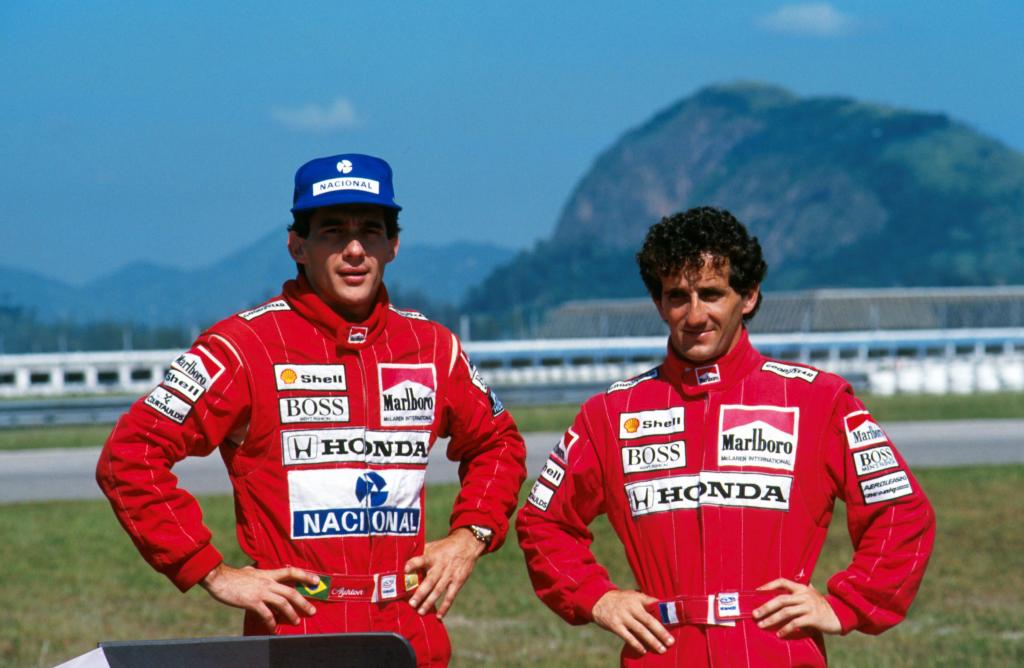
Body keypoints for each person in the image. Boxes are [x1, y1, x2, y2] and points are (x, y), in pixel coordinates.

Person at [97, 153, 527, 667]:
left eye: (370, 230)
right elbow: (131, 456)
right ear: (296, 245)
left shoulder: (433, 347)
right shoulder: (242, 346)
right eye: (331, 231)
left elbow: (499, 444)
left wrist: (470, 535)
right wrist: (210, 571)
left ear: (393, 244)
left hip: (411, 630)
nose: (353, 250)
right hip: (295, 630)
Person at [516, 207, 935, 666]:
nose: (695, 315)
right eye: (678, 296)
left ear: (749, 296)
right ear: (659, 303)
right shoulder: (610, 414)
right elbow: (543, 522)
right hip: (663, 652)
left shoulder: (820, 400)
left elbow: (901, 512)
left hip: (777, 650)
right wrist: (596, 597)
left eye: (711, 294)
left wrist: (847, 604)